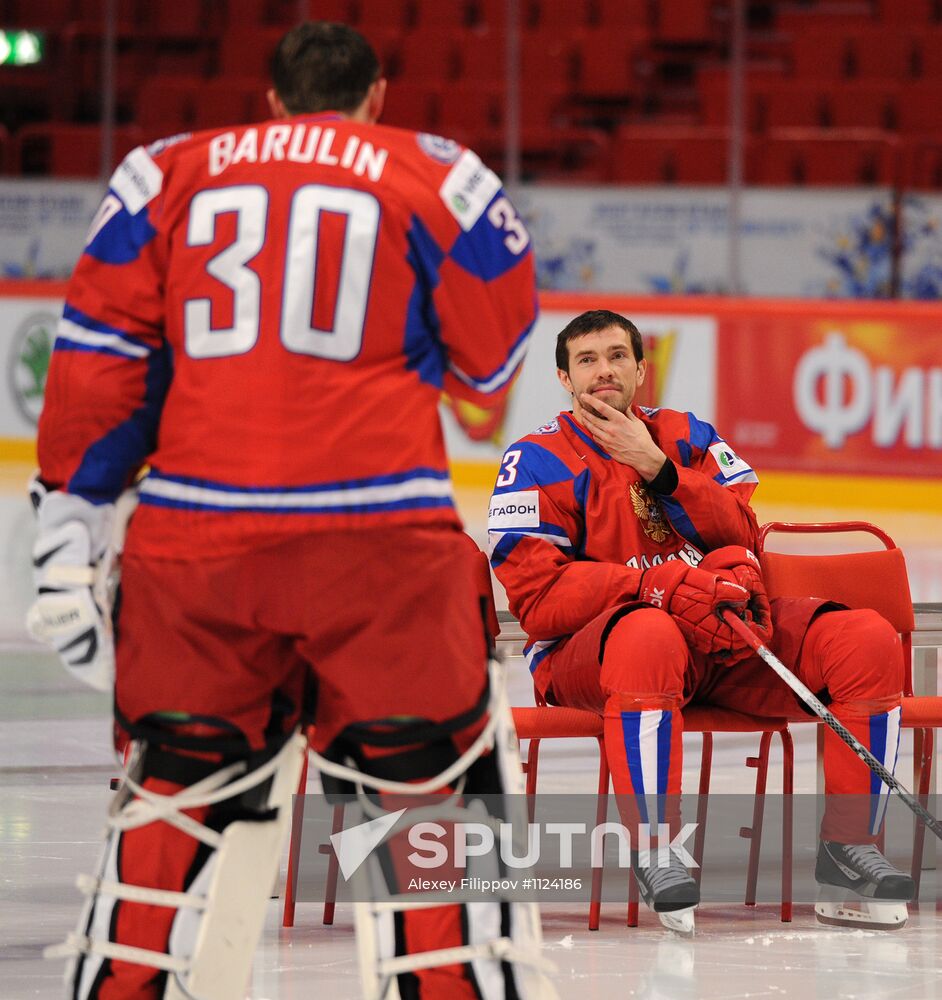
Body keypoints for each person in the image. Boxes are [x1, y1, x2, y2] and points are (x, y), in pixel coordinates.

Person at [29, 21, 553, 1000]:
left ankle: (123, 982)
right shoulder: (439, 172)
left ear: (270, 98)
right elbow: (491, 357)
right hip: (381, 540)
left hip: (196, 539)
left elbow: (101, 362)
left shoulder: (163, 171)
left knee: (172, 789)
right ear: (378, 95)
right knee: (423, 796)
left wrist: (70, 522)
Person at [489, 308, 913, 934]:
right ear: (563, 377)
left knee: (864, 638)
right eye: (587, 360)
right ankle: (656, 849)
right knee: (647, 631)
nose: (603, 369)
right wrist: (648, 585)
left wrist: (660, 470)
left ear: (640, 366)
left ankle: (849, 849)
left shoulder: (687, 435)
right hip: (596, 656)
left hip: (718, 641)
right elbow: (539, 598)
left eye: (615, 355)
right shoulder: (532, 462)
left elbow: (745, 533)